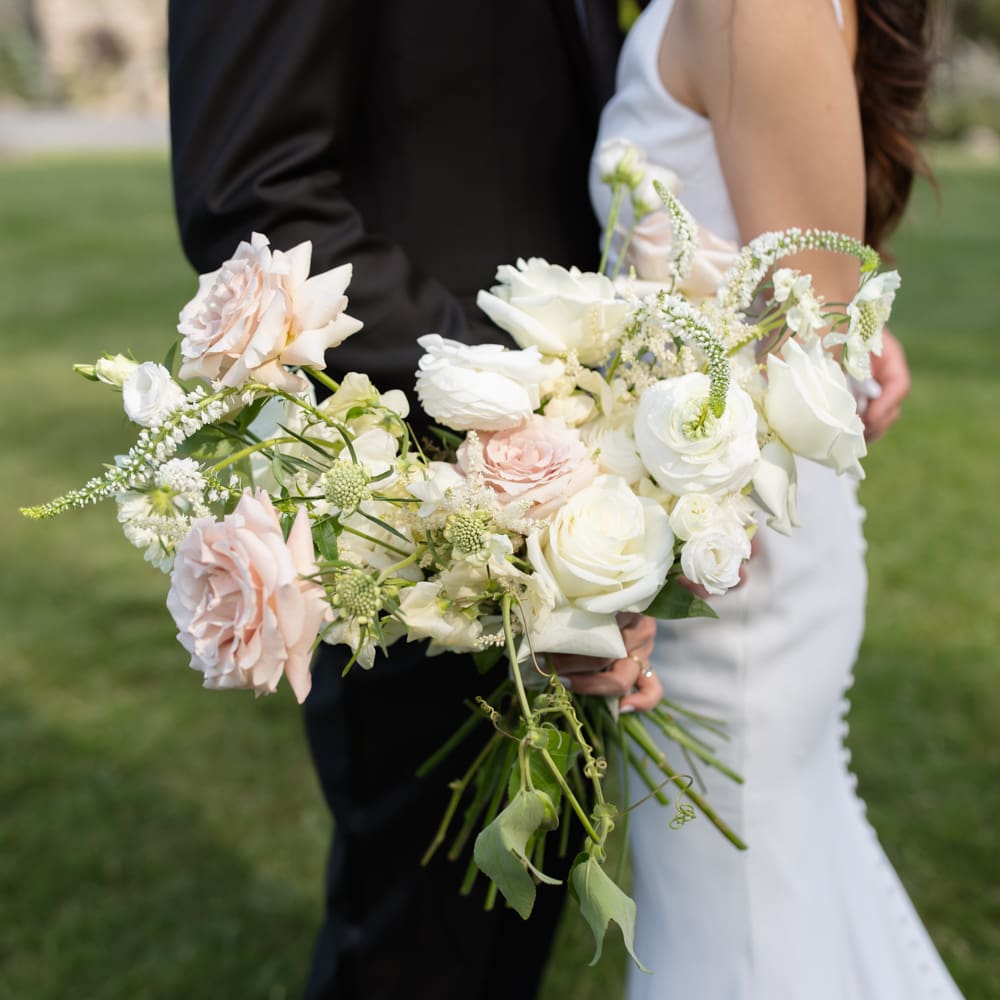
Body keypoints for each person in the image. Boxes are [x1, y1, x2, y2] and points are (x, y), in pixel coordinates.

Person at [166, 2, 662, 998]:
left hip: (576, 485)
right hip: (416, 493)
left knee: (507, 926)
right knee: (419, 943)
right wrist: (527, 410)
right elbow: (257, 198)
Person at [590, 0, 964, 997]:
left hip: (729, 557)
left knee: (740, 921)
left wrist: (640, 553)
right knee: (764, 890)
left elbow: (807, 331)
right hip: (710, 531)